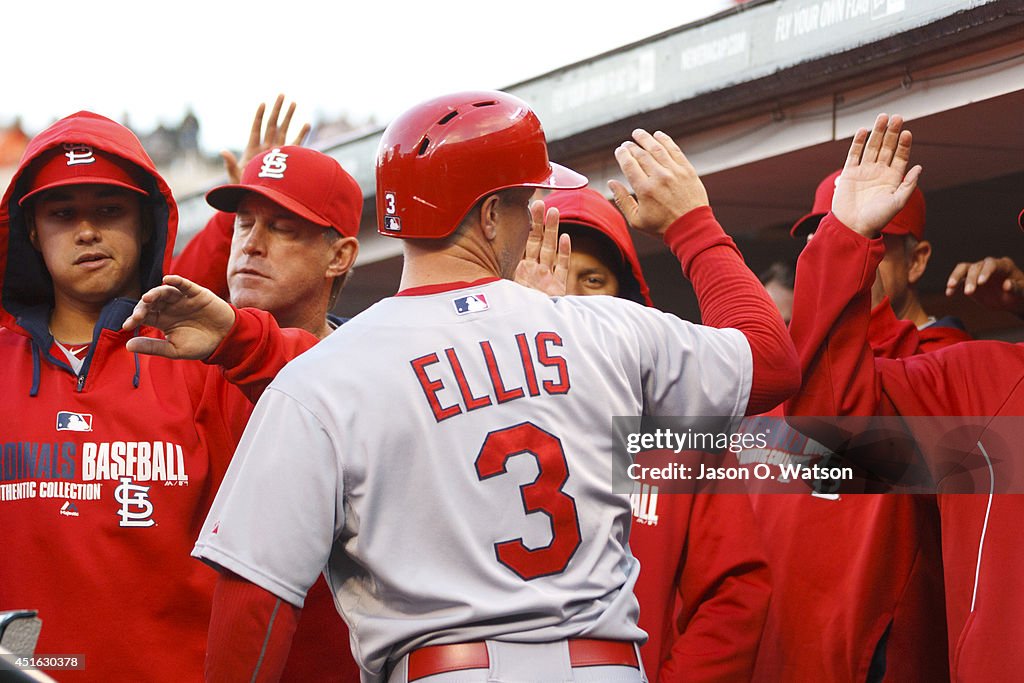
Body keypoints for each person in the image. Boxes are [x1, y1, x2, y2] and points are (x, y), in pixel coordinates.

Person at [180, 90, 799, 682]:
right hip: (604, 666)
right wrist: (692, 224)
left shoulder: (324, 372)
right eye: (525, 198)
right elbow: (772, 362)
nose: (535, 211)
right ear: (486, 214)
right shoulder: (604, 329)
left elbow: (255, 597)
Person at [0, 111, 316, 682]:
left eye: (109, 210)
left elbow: (344, 395)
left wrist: (239, 340)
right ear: (30, 230)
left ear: (145, 224)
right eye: (63, 213)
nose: (87, 231)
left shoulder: (203, 362)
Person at [786, 113, 1024, 680]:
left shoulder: (942, 353)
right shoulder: (982, 381)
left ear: (917, 260)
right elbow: (829, 409)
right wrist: (844, 238)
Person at [545, 187, 771, 682]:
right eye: (553, 275)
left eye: (592, 279)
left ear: (625, 299)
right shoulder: (479, 418)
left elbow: (733, 595)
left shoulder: (677, 433)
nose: (571, 297)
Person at [175, 96, 364, 682]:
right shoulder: (189, 370)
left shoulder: (373, 364)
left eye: (282, 228)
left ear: (340, 256)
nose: (251, 244)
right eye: (242, 224)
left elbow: (319, 372)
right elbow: (165, 305)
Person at [792, 168, 971, 349]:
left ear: (916, 261)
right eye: (827, 246)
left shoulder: (950, 354)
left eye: (866, 240)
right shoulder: (824, 355)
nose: (840, 263)